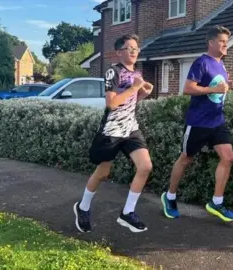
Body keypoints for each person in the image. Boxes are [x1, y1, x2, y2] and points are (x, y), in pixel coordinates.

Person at [73, 34, 154, 233]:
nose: (134, 52)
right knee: (103, 172)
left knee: (145, 166)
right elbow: (112, 103)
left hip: (130, 129)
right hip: (111, 130)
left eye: (136, 48)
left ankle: (127, 212)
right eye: (130, 48)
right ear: (119, 52)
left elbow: (129, 103)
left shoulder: (137, 72)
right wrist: (134, 87)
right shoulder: (113, 71)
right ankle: (82, 207)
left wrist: (142, 93)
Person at [161, 25, 233, 222]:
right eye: (221, 41)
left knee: (228, 157)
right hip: (198, 122)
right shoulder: (201, 62)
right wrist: (214, 90)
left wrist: (229, 85)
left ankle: (216, 202)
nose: (225, 44)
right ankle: (169, 197)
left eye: (226, 41)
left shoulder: (221, 64)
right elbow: (188, 89)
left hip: (217, 121)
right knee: (186, 159)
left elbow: (218, 85)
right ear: (211, 43)